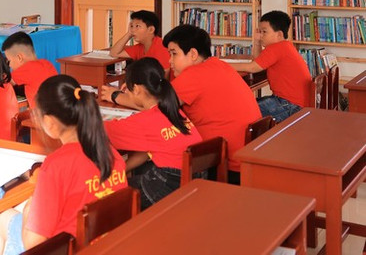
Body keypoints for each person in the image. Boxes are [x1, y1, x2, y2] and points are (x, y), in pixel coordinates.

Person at [0, 75, 128, 255]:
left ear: (49, 122)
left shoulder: (56, 165)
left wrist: (28, 209)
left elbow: (33, 243)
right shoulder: (111, 153)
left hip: (67, 248)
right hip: (103, 244)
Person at [160, 24, 261, 184]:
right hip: (246, 161)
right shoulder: (219, 65)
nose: (169, 61)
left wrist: (116, 96)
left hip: (223, 167)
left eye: (174, 54)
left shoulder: (193, 75)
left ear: (193, 54)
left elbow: (157, 106)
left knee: (158, 158)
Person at [103, 57, 202, 209]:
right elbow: (149, 149)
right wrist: (122, 169)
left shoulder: (145, 121)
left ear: (136, 89)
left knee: (108, 196)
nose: (126, 93)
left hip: (169, 186)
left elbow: (101, 130)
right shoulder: (173, 111)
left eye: (126, 89)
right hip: (194, 179)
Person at [227, 11, 312, 123]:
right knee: (247, 105)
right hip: (294, 103)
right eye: (260, 32)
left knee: (243, 111)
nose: (261, 35)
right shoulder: (285, 46)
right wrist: (257, 42)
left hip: (290, 105)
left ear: (279, 34)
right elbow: (258, 61)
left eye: (264, 32)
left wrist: (222, 65)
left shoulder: (277, 48)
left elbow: (253, 67)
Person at [100, 10, 170, 108]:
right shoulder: (140, 47)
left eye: (137, 26)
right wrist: (129, 34)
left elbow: (162, 81)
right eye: (131, 26)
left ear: (151, 30)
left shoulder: (161, 47)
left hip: (160, 98)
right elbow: (114, 52)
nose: (133, 30)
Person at [1, 31, 58, 108]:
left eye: (9, 61)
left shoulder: (27, 68)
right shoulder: (47, 63)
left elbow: (6, 80)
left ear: (19, 58)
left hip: (42, 116)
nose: (9, 65)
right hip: (57, 112)